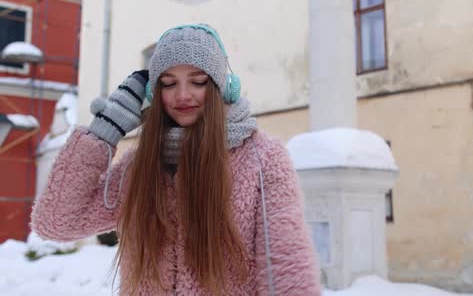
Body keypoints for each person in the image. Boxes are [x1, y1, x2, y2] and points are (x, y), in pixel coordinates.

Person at [30, 24, 321, 295]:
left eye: (198, 81)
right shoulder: (140, 167)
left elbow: (287, 268)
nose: (183, 95)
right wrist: (104, 132)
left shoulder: (262, 159)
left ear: (223, 87)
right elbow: (55, 222)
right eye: (168, 84)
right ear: (153, 94)